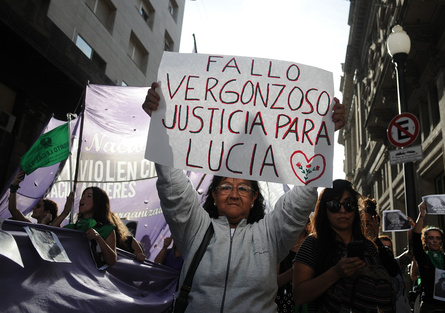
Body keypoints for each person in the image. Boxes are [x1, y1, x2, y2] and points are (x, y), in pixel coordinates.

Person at [142, 82, 345, 312]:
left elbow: (302, 198)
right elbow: (172, 184)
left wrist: (323, 139)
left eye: (244, 188)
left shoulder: (269, 235)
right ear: (215, 196)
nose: (235, 194)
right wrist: (158, 122)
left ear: (254, 199)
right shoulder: (194, 229)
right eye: (226, 187)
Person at [293, 181, 397, 313]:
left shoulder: (368, 246)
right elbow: (299, 296)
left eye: (348, 205)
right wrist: (336, 273)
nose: (342, 210)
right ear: (324, 209)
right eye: (334, 205)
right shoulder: (312, 244)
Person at [362, 198, 413, 313]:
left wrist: (376, 240)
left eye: (368, 224)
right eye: (362, 224)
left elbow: (393, 270)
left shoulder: (384, 252)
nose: (365, 229)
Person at [413, 201, 445, 312]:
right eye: (431, 238)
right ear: (425, 241)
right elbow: (415, 239)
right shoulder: (424, 258)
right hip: (431, 306)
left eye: (438, 238)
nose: (435, 241)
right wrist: (421, 215)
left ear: (441, 241)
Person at [64, 186, 117, 267]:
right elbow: (48, 242)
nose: (83, 198)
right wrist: (65, 212)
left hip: (90, 277)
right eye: (83, 196)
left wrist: (98, 238)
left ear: (98, 202)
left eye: (89, 196)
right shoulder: (70, 228)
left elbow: (112, 261)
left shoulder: (106, 228)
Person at [8, 169, 74, 226]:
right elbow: (13, 209)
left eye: (38, 206)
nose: (33, 208)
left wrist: (65, 212)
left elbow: (42, 233)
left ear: (47, 212)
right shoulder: (30, 226)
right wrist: (14, 186)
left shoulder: (54, 229)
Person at [276, 219, 310, 313]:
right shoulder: (280, 246)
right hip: (281, 304)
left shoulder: (312, 248)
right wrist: (293, 271)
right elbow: (273, 283)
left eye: (299, 220)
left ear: (307, 225)